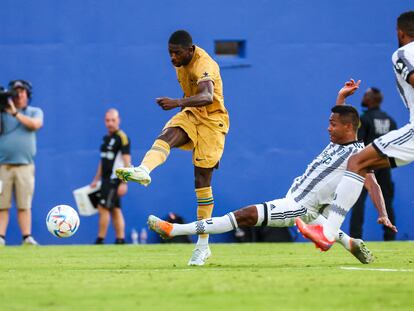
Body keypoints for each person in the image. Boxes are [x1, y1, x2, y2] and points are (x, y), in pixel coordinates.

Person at [147, 79, 391, 264]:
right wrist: (341, 96)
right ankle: (351, 243)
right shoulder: (339, 141)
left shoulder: (357, 156)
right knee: (318, 221)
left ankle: (174, 229)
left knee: (243, 216)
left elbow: (373, 184)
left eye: (333, 124)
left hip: (298, 206)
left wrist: (383, 213)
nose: (328, 128)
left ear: (348, 128)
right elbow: (342, 116)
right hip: (303, 205)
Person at [296, 11, 414, 251]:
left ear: (400, 33)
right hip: (387, 159)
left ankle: (328, 234)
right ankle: (331, 233)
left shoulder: (403, 53)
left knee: (357, 162)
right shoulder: (387, 117)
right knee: (363, 168)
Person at [116, 30, 229, 265]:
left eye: (176, 53)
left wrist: (177, 102)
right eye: (169, 53)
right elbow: (191, 95)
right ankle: (144, 170)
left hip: (213, 122)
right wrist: (181, 110)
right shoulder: (180, 64)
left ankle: (202, 245)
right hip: (192, 113)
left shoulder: (204, 63)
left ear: (190, 50)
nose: (172, 58)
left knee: (201, 181)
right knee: (168, 134)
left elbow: (207, 96)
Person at [350, 87, 397, 241]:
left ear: (370, 99)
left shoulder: (364, 119)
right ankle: (390, 236)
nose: (362, 97)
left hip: (367, 167)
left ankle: (355, 237)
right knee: (387, 201)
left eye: (365, 95)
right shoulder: (389, 120)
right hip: (384, 166)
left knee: (358, 202)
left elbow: (358, 144)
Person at [0, 80, 44, 246]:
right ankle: (0, 238)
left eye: (22, 92)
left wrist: (15, 113)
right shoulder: (2, 113)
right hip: (3, 167)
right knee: (1, 204)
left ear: (28, 94)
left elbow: (35, 125)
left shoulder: (34, 112)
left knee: (24, 204)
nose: (19, 95)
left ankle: (27, 237)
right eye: (15, 92)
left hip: (25, 166)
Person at [90, 109, 131, 244]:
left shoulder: (122, 137)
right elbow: (103, 161)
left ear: (119, 120)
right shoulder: (106, 139)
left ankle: (100, 239)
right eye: (107, 120)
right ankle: (120, 239)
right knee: (115, 209)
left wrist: (125, 182)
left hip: (115, 180)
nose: (110, 123)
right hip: (105, 180)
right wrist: (96, 179)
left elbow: (127, 161)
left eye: (113, 120)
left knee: (103, 208)